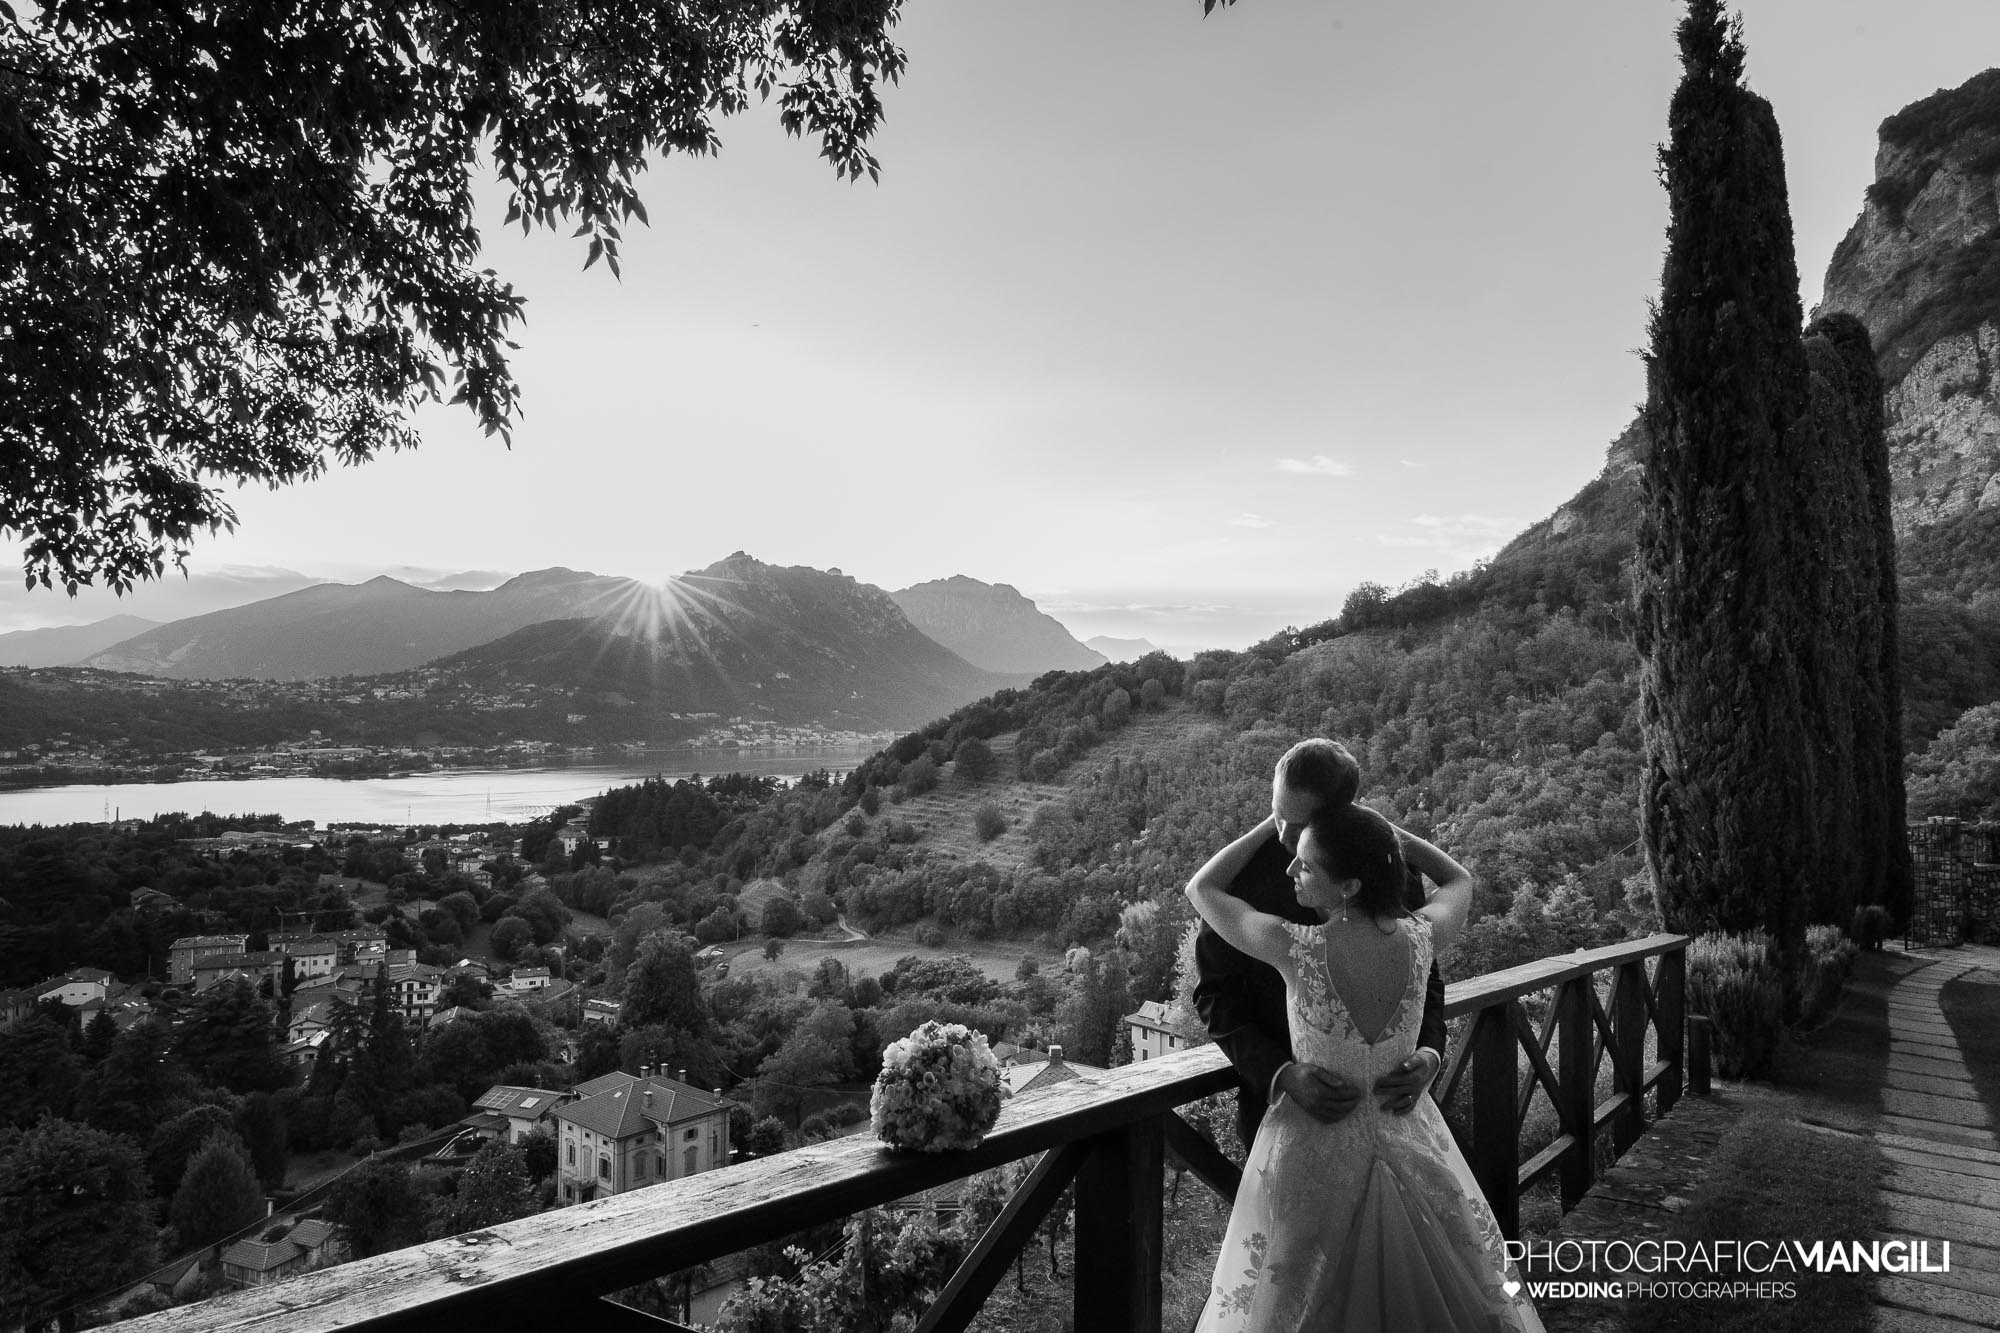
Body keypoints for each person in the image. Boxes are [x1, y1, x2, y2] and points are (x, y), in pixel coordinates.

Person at [1186, 803, 1542, 1332]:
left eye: (1305, 865)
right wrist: (1383, 831)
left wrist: (1273, 818)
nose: (1290, 871)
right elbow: (1458, 878)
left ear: (1348, 886)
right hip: (1408, 1132)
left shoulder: (1296, 948)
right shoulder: (1422, 938)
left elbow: (1202, 889)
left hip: (1315, 1148)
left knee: (1299, 1297)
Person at [1194, 739, 1454, 1152]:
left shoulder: (1385, 868)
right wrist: (1281, 1073)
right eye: (1276, 814)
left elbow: (1426, 976)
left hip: (1394, 1116)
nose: (1282, 836)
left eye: (1298, 826)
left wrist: (1430, 1054)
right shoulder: (1241, 879)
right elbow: (1214, 994)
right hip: (1283, 1122)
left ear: (1339, 814)